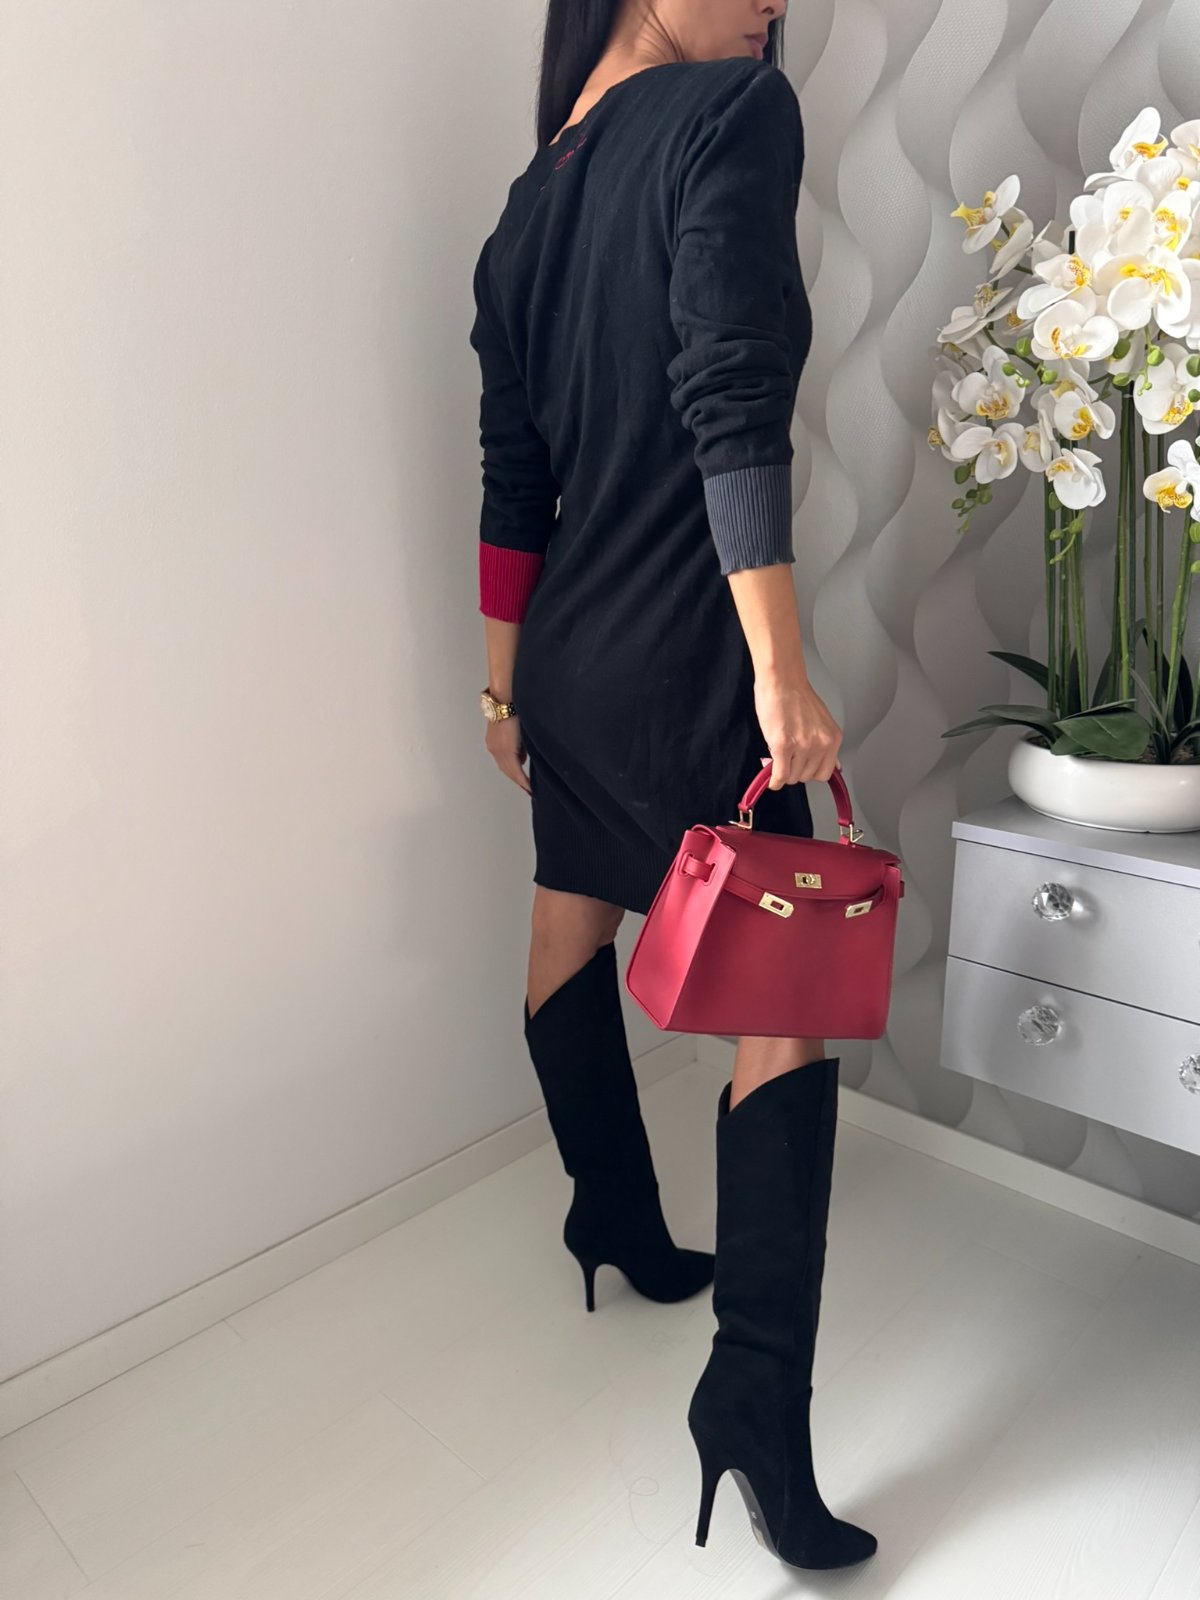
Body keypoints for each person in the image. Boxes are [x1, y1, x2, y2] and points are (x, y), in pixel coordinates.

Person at [467, 0, 878, 1574]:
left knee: (566, 918)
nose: (774, 7)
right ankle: (755, 1403)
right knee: (786, 1002)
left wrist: (501, 685)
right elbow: (731, 394)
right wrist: (780, 667)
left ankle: (616, 1220)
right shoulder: (732, 113)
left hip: (568, 656)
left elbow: (514, 474)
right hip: (691, 653)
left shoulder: (528, 197)